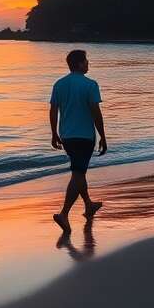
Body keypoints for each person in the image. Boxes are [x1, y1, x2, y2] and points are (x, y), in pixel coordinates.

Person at [50, 49, 107, 233]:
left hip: (67, 135)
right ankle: (63, 214)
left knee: (79, 171)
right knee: (78, 173)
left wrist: (53, 133)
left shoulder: (59, 84)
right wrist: (103, 136)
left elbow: (53, 110)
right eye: (86, 61)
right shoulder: (90, 85)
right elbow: (95, 112)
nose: (88, 63)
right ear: (80, 64)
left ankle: (89, 205)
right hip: (84, 137)